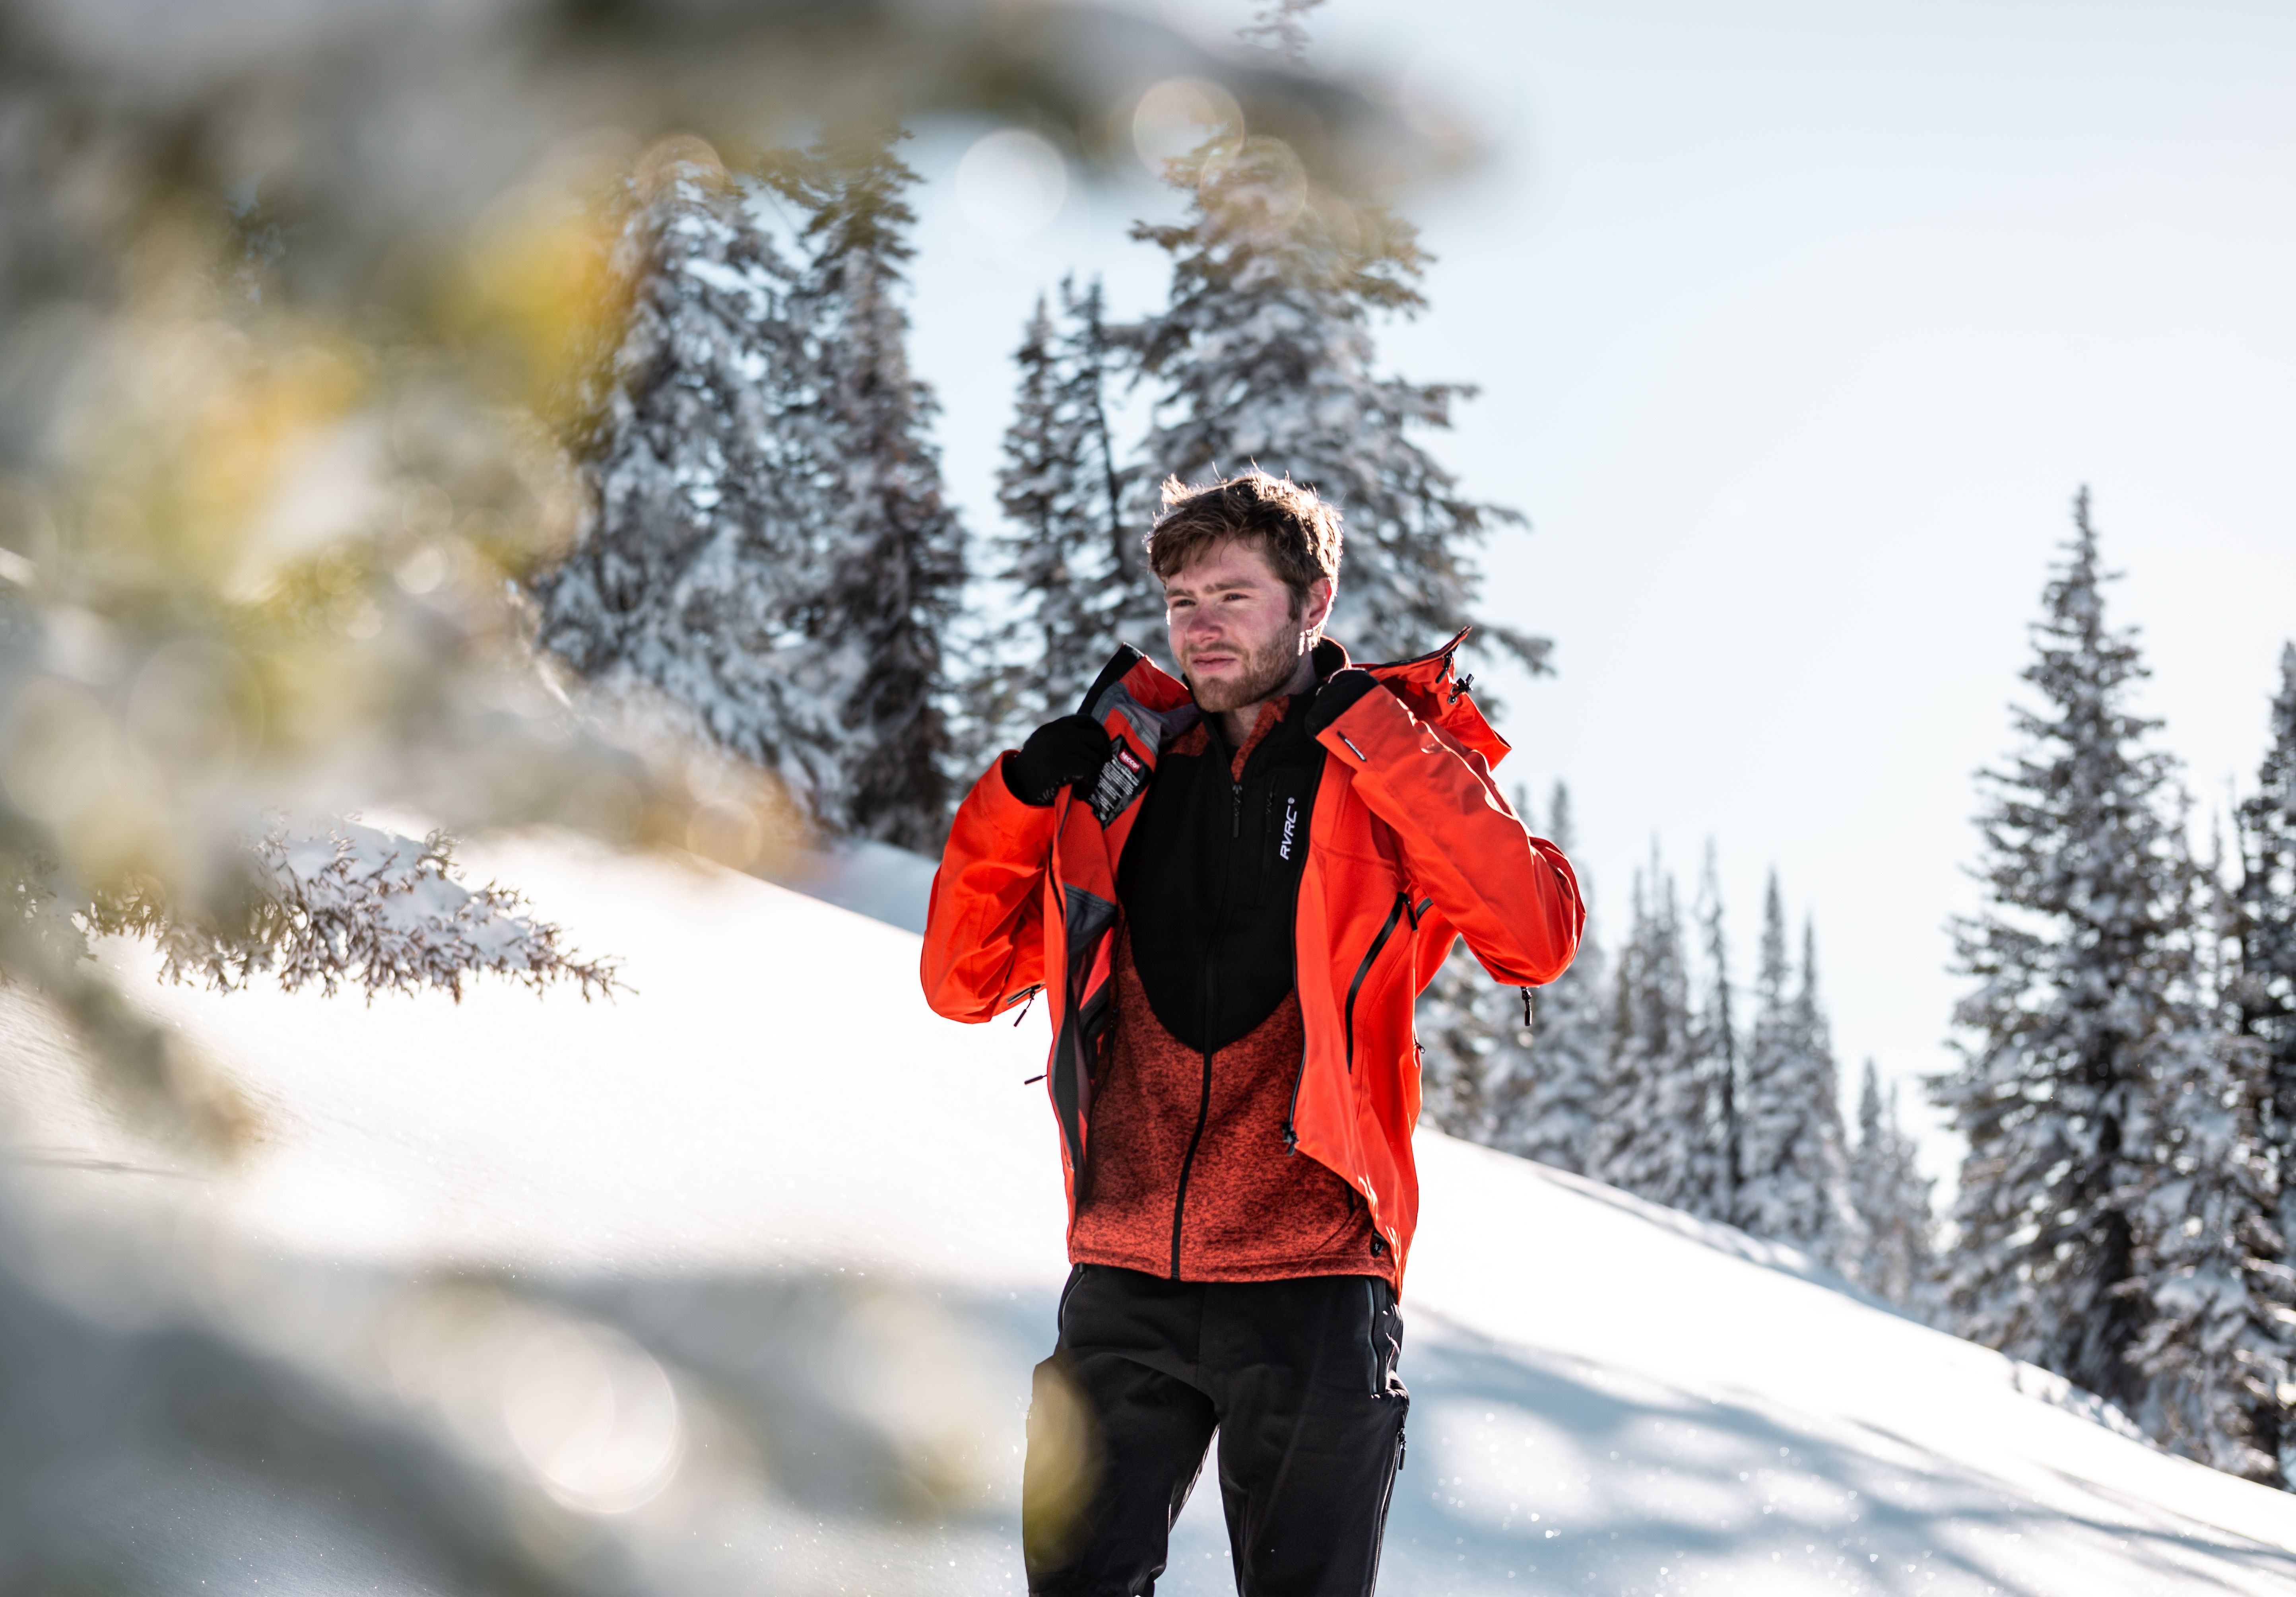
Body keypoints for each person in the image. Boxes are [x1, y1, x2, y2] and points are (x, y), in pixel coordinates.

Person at [922, 470, 1583, 1595]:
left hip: (1315, 1280)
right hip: (1125, 1279)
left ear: (1312, 602)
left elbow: (1536, 934)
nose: (1201, 625)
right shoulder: (1122, 780)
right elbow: (965, 981)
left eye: (1232, 595)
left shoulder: (1381, 771)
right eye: (1183, 600)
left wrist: (1387, 737)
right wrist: (1022, 793)